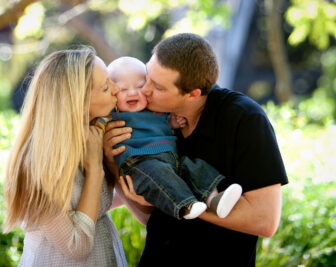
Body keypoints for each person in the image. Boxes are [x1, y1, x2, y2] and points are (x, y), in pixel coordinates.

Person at [103, 33, 288, 266]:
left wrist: (186, 204)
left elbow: (265, 220)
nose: (144, 90)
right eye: (148, 76)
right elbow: (151, 218)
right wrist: (114, 165)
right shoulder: (151, 116)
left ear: (193, 94)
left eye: (157, 87)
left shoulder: (243, 118)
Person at [3, 47, 128, 266]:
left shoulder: (92, 137)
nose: (117, 90)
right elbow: (76, 245)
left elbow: (108, 201)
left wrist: (108, 159)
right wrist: (95, 170)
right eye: (106, 87)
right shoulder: (36, 168)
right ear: (77, 104)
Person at [106, 56, 242, 220]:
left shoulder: (156, 109)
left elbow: (164, 123)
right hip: (141, 163)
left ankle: (214, 199)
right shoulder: (115, 116)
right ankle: (185, 205)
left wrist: (173, 122)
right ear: (112, 94)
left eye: (140, 86)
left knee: (196, 168)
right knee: (161, 176)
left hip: (171, 158)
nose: (133, 92)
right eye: (123, 90)